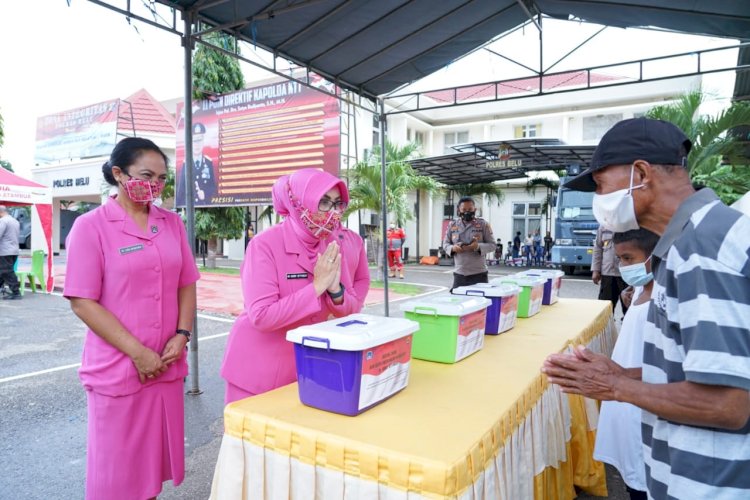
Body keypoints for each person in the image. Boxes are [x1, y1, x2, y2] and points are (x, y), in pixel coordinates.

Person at [542, 117, 750, 500]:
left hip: (707, 484)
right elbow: (696, 367)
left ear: (641, 173)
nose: (599, 200)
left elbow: (729, 403)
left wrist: (615, 386)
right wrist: (626, 373)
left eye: (601, 186)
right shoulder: (689, 243)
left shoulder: (702, 250)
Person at [63, 137, 200, 499]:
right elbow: (82, 300)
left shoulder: (171, 223)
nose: (154, 185)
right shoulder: (90, 227)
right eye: (146, 175)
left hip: (166, 364)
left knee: (150, 470)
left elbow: (187, 284)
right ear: (119, 173)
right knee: (117, 474)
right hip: (120, 366)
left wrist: (182, 334)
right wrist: (138, 353)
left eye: (161, 178)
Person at [221, 168, 371, 404]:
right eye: (323, 202)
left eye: (336, 203)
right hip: (259, 372)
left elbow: (352, 308)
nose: (332, 212)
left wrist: (336, 292)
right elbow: (261, 316)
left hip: (309, 372)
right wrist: (316, 287)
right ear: (299, 203)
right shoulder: (265, 244)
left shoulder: (332, 244)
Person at [593, 228, 659, 500]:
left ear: (655, 256)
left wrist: (621, 377)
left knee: (645, 480)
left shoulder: (664, 296)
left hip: (644, 400)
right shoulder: (641, 288)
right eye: (620, 260)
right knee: (632, 475)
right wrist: (625, 300)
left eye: (629, 258)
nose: (623, 267)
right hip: (628, 401)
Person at [442, 197, 495, 290]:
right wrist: (453, 248)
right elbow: (445, 244)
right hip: (460, 274)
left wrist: (478, 246)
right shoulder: (452, 225)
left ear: (475, 209)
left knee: (481, 303)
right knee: (459, 302)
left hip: (479, 274)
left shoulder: (483, 224)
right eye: (464, 209)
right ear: (459, 210)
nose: (467, 212)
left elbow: (493, 245)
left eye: (470, 209)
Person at [175, 122, 217, 206]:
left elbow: (213, 187)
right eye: (194, 141)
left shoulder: (208, 162)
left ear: (203, 141)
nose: (197, 144)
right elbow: (181, 192)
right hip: (190, 209)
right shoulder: (186, 164)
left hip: (205, 207)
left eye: (199, 140)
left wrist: (205, 194)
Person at [592, 225, 629, 317]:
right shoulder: (604, 226)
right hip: (608, 274)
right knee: (604, 310)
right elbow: (598, 248)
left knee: (629, 309)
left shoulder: (630, 223)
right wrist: (596, 270)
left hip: (627, 273)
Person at [0, 205, 22, 299]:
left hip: (5, 251)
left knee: (7, 271)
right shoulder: (15, 221)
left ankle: (16, 292)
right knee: (3, 271)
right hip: (14, 250)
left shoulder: (3, 221)